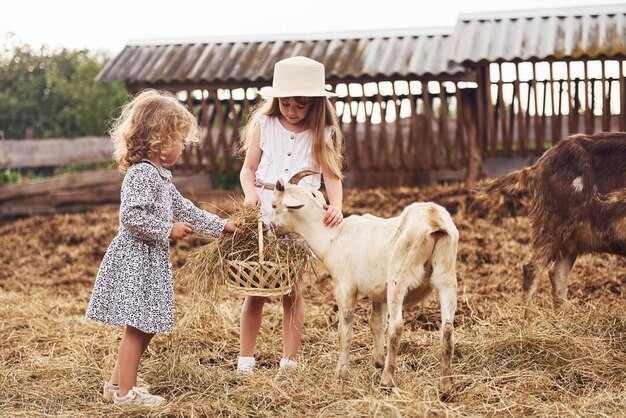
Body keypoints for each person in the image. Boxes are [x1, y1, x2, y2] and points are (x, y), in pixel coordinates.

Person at [85, 89, 238, 406]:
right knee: (139, 325)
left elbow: (186, 210)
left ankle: (117, 383)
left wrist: (222, 227)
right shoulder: (141, 173)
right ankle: (127, 394)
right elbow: (131, 217)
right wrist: (166, 229)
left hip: (149, 259)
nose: (183, 147)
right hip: (135, 260)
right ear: (159, 138)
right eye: (179, 139)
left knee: (148, 323)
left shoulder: (160, 176)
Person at [237, 56, 344, 374]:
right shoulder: (264, 124)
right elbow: (248, 170)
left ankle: (290, 361)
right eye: (285, 103)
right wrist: (251, 193)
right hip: (265, 216)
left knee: (291, 288)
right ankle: (245, 360)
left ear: (315, 103)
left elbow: (333, 176)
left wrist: (335, 205)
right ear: (277, 99)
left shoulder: (322, 132)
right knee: (256, 288)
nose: (292, 110)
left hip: (299, 218)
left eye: (300, 104)